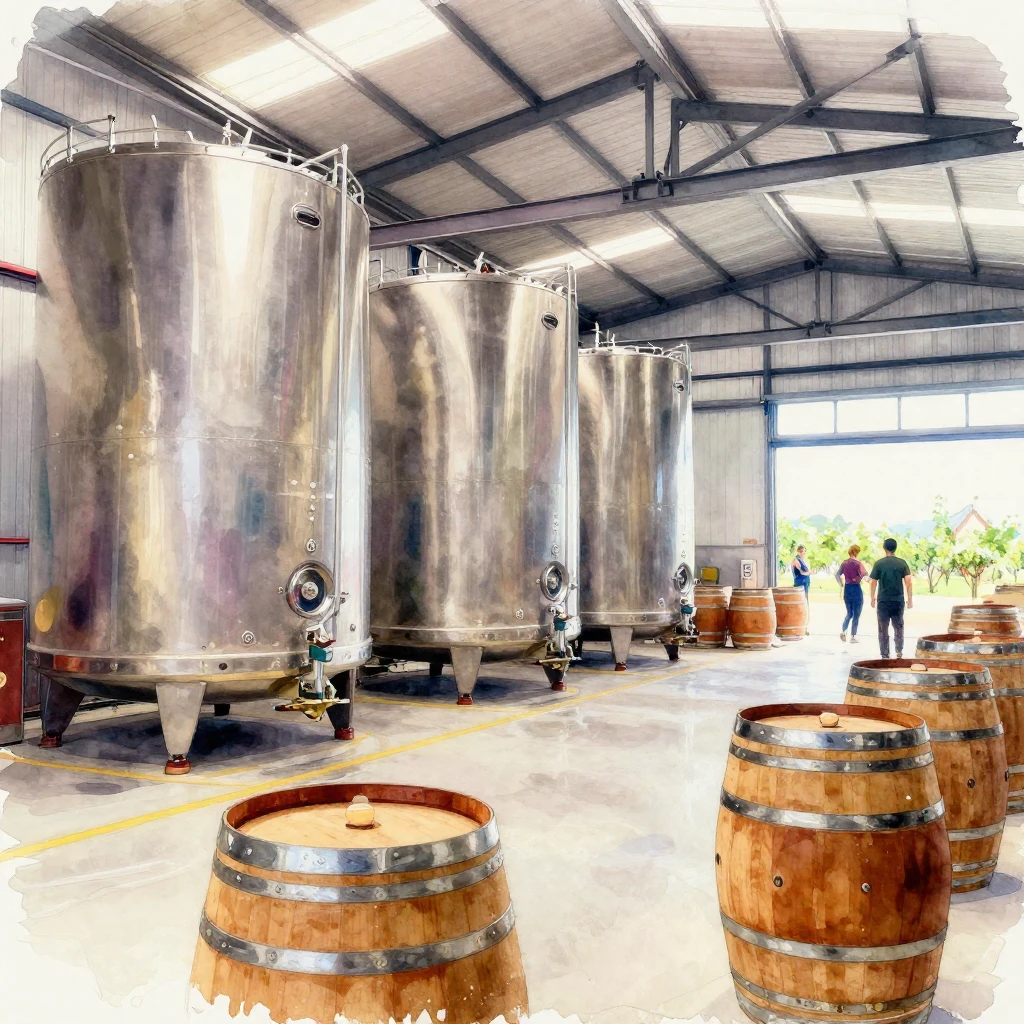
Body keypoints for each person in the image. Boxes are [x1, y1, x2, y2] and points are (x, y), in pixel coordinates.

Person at [870, 537, 913, 659]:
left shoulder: (879, 563)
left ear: (884, 549)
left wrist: (872, 597)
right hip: (898, 601)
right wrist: (910, 599)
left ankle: (885, 654)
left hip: (883, 601)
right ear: (895, 548)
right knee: (898, 626)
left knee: (883, 628)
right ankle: (899, 651)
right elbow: (908, 582)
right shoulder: (902, 563)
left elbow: (873, 582)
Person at [838, 544, 869, 643]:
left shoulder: (844, 563)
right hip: (856, 589)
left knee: (849, 613)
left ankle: (843, 632)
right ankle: (852, 636)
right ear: (856, 552)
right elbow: (865, 576)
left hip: (847, 589)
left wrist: (841, 584)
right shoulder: (858, 564)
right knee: (856, 613)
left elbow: (837, 575)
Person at [791, 545, 811, 635]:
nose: (803, 553)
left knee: (805, 604)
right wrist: (809, 572)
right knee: (802, 605)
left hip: (804, 585)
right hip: (800, 585)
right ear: (798, 552)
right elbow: (802, 572)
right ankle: (802, 627)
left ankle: (805, 627)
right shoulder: (796, 560)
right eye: (802, 551)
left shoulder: (802, 560)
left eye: (804, 551)